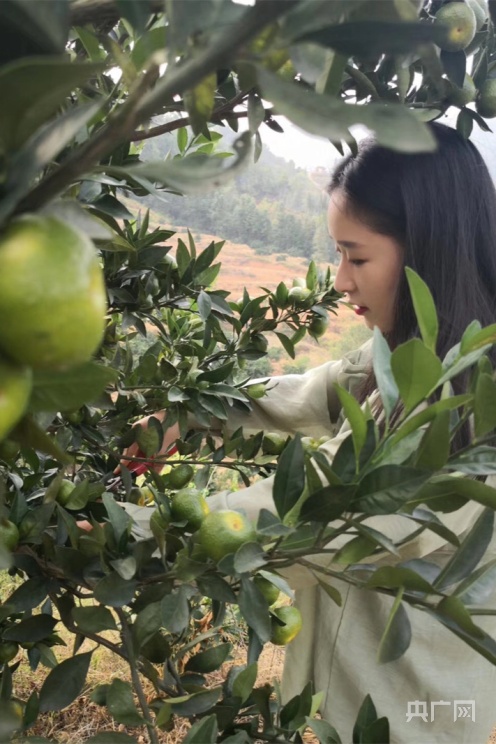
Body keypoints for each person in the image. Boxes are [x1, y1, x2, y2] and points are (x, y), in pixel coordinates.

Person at [121, 122, 496, 743]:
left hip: (411, 717)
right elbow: (306, 394)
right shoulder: (404, 355)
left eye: (359, 256)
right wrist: (188, 413)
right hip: (335, 698)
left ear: (429, 250)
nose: (342, 280)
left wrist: (131, 531)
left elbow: (309, 512)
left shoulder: (466, 416)